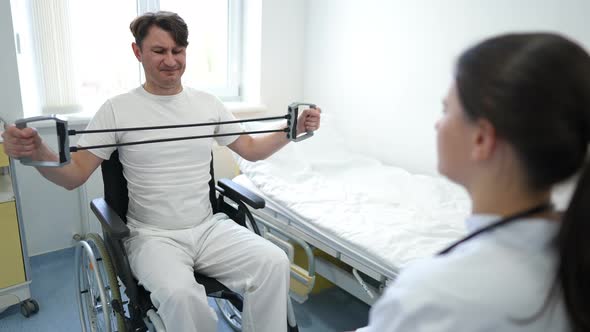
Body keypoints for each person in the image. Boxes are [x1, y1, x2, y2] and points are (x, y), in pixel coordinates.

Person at [2, 11, 321, 332]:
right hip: (152, 237)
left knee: (274, 262)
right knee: (182, 297)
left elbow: (252, 149)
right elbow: (74, 176)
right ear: (137, 52)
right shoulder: (117, 109)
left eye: (177, 51)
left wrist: (292, 129)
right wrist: (39, 153)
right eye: (159, 51)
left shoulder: (207, 104)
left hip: (209, 228)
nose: (171, 60)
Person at [356, 33, 590, 331]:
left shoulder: (432, 297)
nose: (437, 124)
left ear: (481, 138)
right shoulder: (574, 259)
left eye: (446, 110)